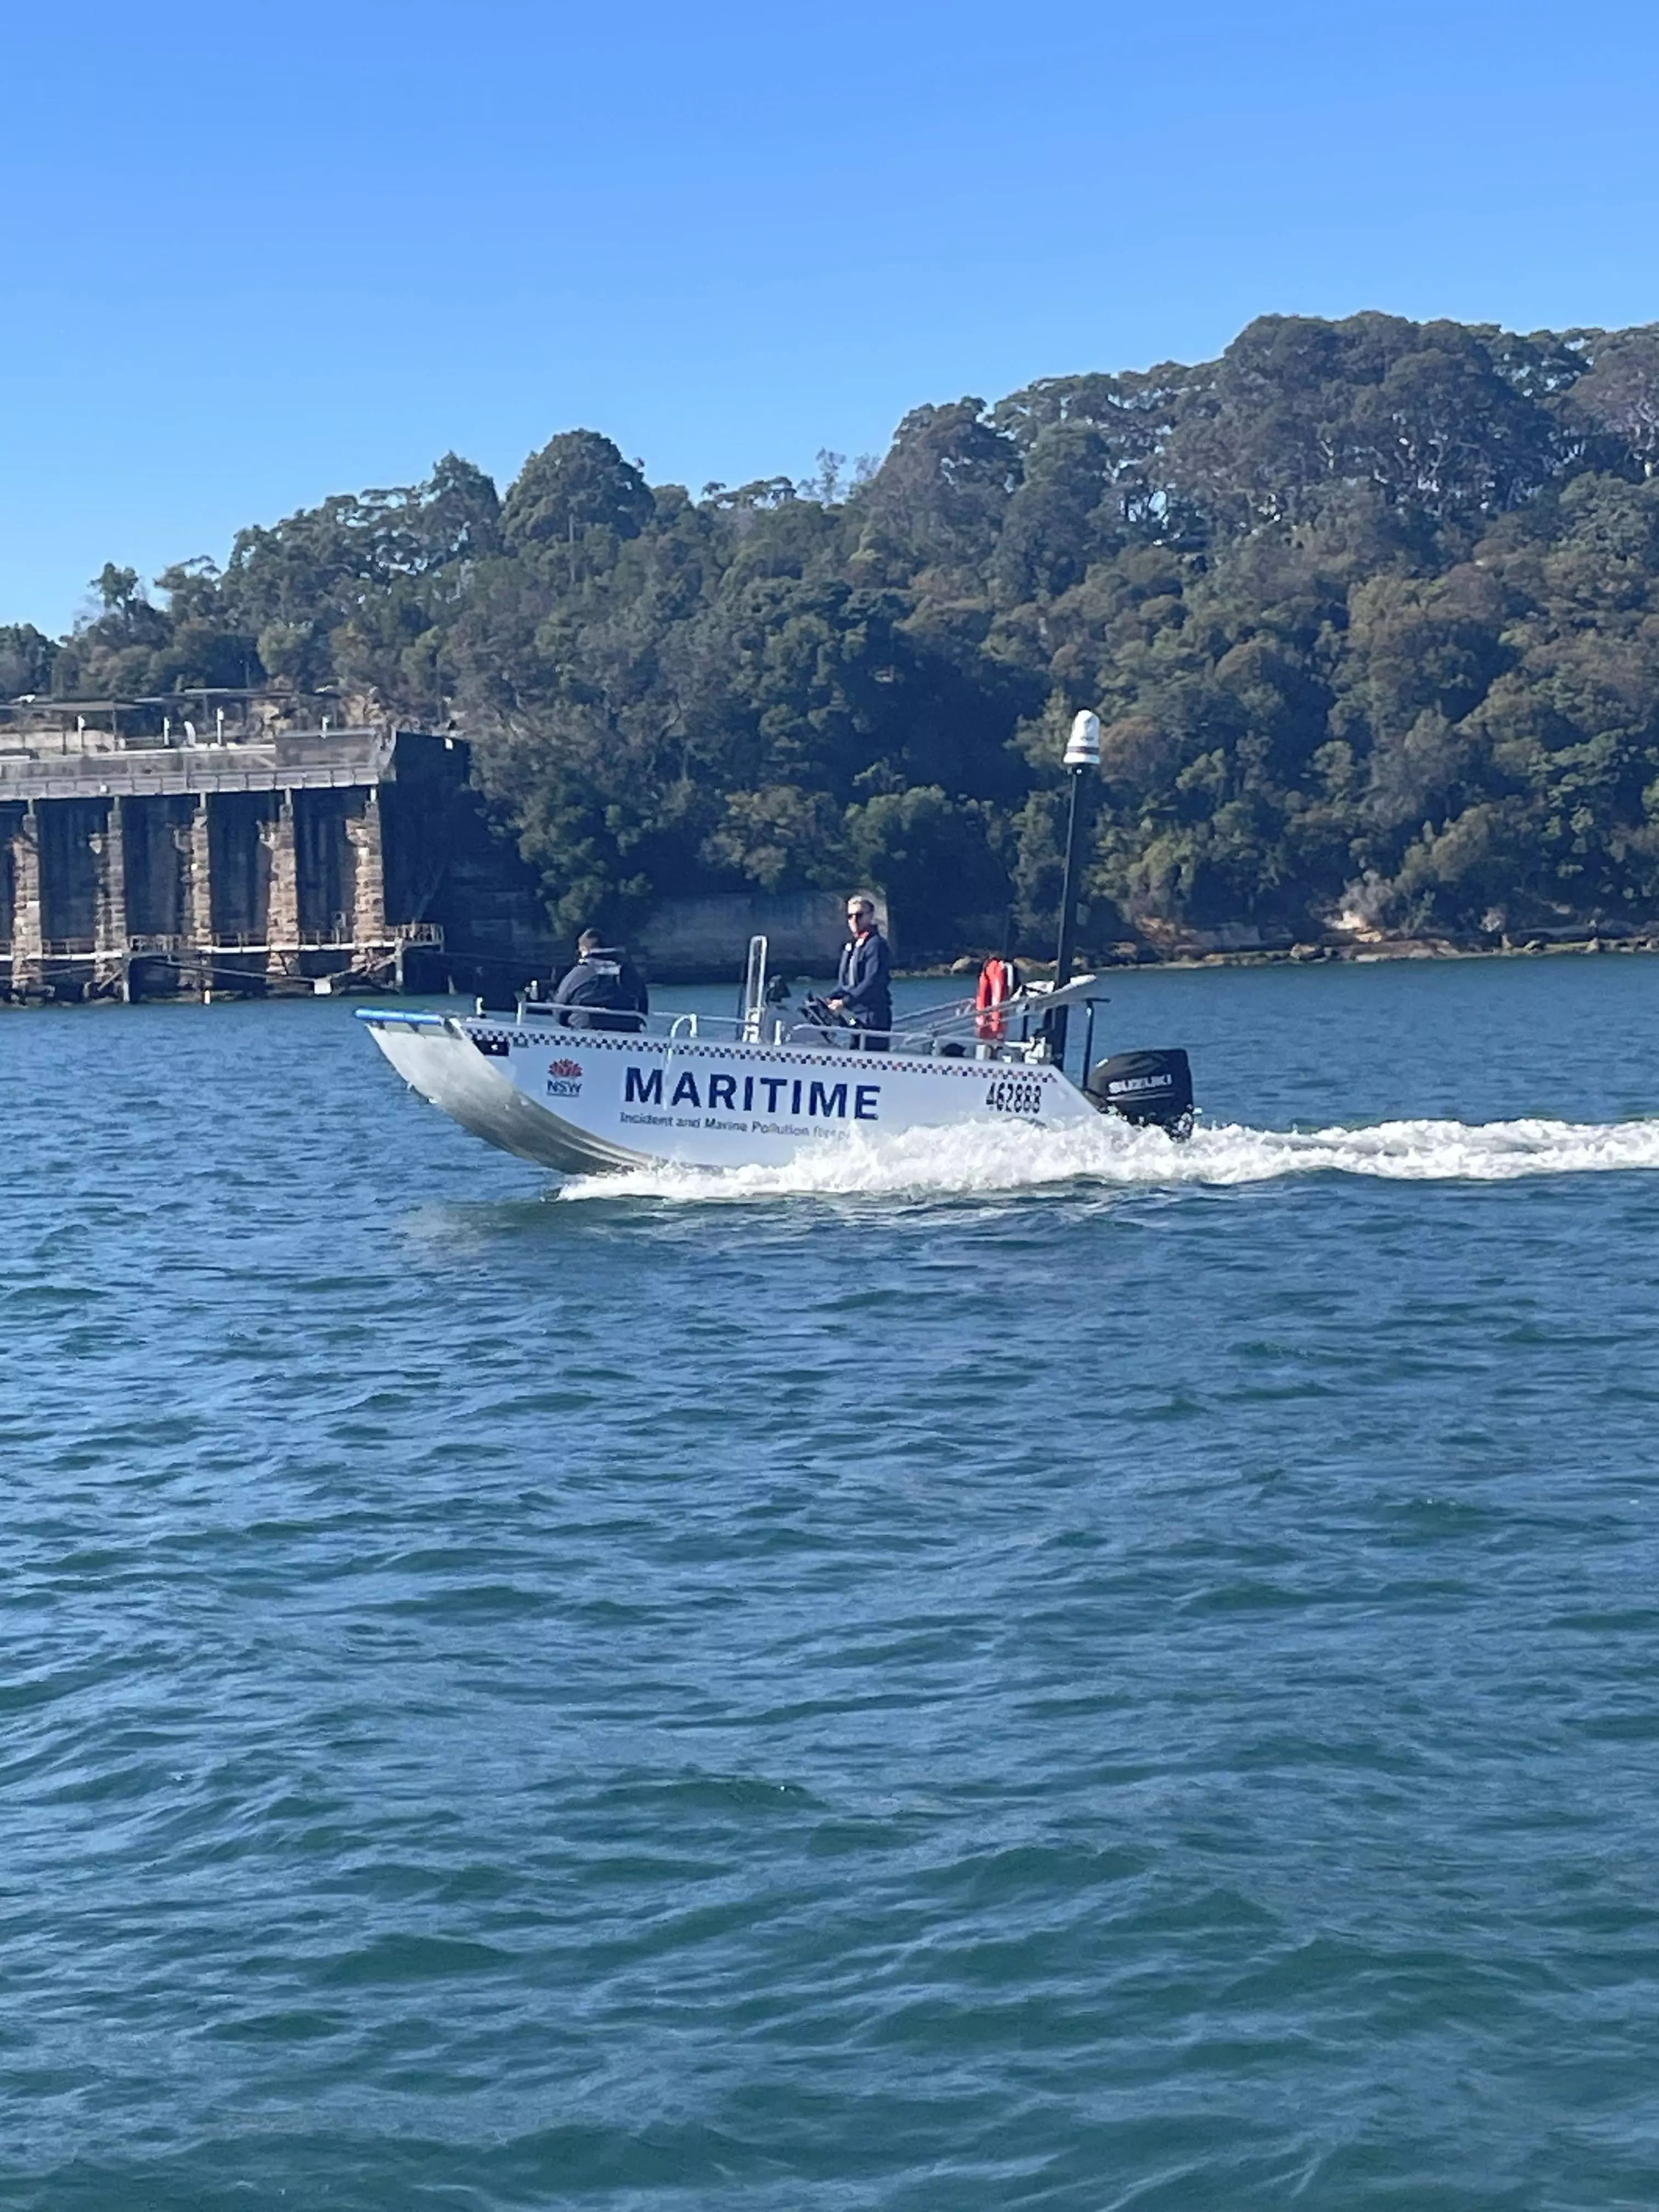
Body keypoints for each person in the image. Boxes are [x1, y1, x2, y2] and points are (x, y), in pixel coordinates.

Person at [551, 930, 649, 1031]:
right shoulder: (630, 973)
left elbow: (559, 1010)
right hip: (627, 1037)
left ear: (583, 949)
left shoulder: (578, 974)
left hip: (584, 1036)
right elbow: (643, 1008)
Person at [830, 894, 891, 1049]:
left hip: (873, 1016)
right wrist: (830, 999)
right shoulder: (851, 946)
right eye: (850, 916)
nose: (854, 920)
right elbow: (844, 983)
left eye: (859, 915)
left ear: (870, 916)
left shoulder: (876, 946)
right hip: (855, 1017)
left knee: (871, 1061)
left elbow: (873, 982)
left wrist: (845, 1002)